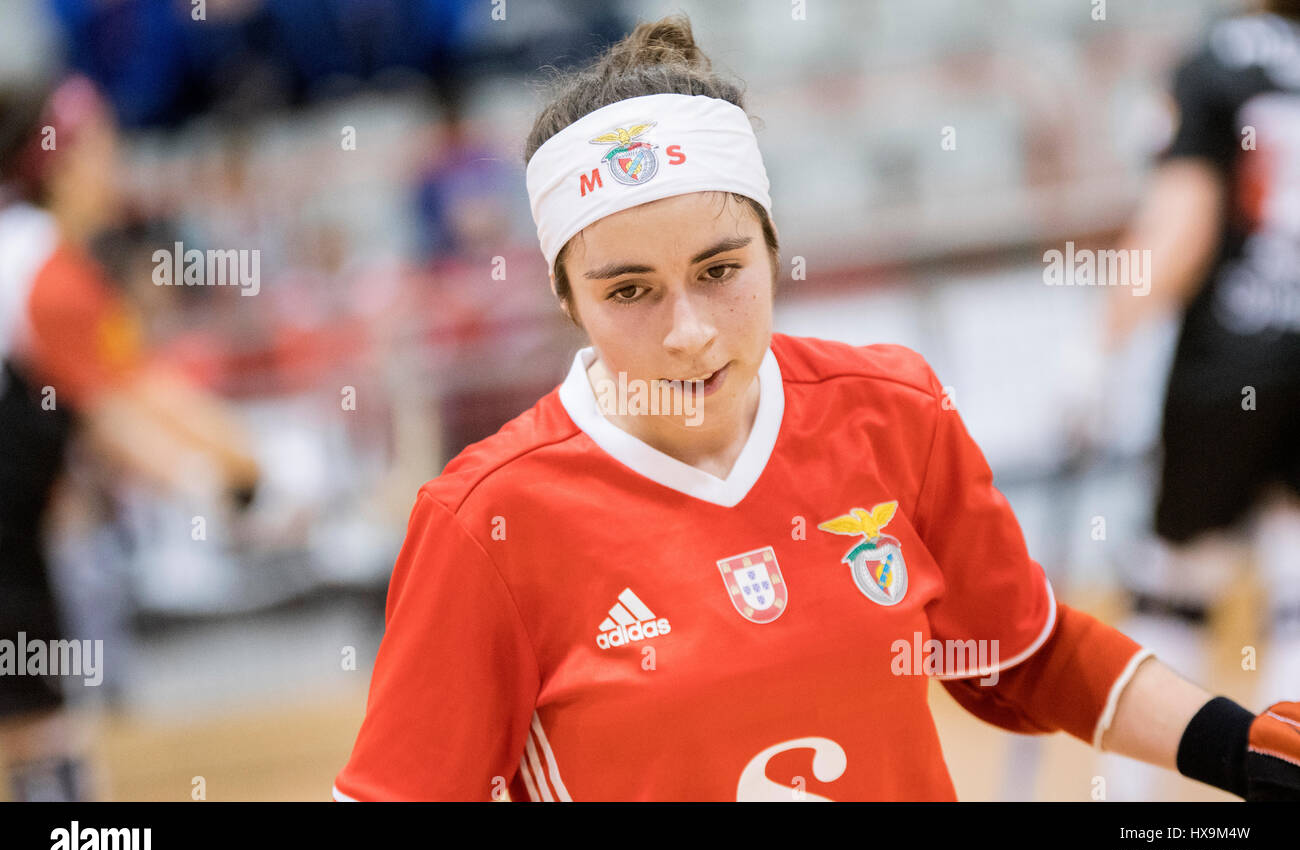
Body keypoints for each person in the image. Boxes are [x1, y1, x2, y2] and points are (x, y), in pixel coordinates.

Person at [334, 15, 1300, 802]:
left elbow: (1027, 656)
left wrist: (1236, 744)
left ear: (773, 243)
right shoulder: (487, 521)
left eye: (720, 270)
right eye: (630, 291)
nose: (688, 333)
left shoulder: (893, 412)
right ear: (567, 299)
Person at [0, 74, 261, 801]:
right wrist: (232, 484)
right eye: (103, 146)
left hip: (18, 543)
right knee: (40, 740)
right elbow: (123, 407)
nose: (116, 162)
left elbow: (133, 389)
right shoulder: (42, 270)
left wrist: (236, 465)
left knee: (39, 731)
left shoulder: (40, 259)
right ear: (55, 161)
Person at [1099, 2, 1300, 798]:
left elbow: (1180, 220)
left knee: (1171, 587)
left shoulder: (1220, 56)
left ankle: (1132, 815)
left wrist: (1098, 345)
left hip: (1231, 359)